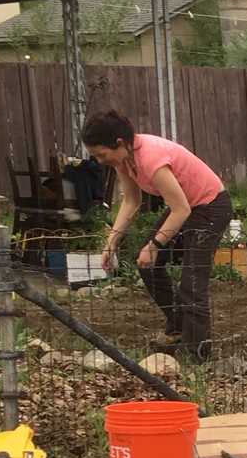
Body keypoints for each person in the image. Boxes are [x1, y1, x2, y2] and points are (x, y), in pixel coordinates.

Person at [82, 110, 234, 358]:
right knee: (149, 266)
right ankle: (178, 327)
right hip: (187, 207)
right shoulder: (124, 160)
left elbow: (181, 209)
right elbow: (131, 201)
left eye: (101, 154)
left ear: (119, 143)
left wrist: (154, 244)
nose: (100, 161)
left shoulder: (151, 158)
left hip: (210, 207)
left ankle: (197, 354)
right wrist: (111, 242)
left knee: (192, 282)